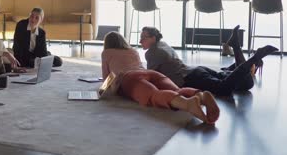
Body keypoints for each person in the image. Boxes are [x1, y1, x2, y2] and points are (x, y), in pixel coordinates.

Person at [101, 32, 220, 124]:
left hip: (129, 78)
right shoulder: (133, 51)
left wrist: (110, 88)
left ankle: (187, 103)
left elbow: (106, 78)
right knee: (176, 90)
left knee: (154, 95)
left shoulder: (106, 53)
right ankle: (200, 96)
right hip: (150, 73)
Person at [140, 26, 278, 96]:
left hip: (189, 78)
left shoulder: (153, 52)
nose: (140, 40)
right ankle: (235, 47)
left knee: (224, 89)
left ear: (153, 38)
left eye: (144, 37)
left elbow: (151, 77)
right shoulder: (162, 44)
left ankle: (255, 57)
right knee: (246, 83)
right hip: (196, 71)